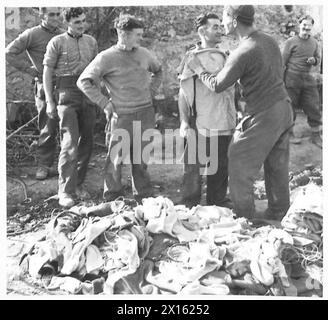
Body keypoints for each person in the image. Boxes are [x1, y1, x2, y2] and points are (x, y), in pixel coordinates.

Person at [187, 5, 293, 220]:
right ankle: (278, 211)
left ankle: (246, 218)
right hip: (284, 107)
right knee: (276, 164)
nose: (223, 25)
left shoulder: (242, 51)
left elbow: (217, 84)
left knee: (238, 162)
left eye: (224, 19)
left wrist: (198, 68)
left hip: (264, 112)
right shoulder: (269, 40)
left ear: (234, 21)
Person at [77, 14, 162, 202]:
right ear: (122, 34)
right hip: (121, 115)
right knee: (115, 159)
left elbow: (159, 71)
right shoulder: (106, 57)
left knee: (141, 157)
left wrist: (151, 92)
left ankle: (143, 195)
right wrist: (104, 103)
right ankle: (113, 196)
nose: (141, 39)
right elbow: (84, 81)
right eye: (137, 35)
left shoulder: (144, 53)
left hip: (145, 112)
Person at [177, 13, 236, 208]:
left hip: (223, 122)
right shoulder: (192, 58)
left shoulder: (225, 56)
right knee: (193, 170)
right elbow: (184, 93)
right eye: (215, 27)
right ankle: (189, 207)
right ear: (202, 31)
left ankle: (216, 204)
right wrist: (184, 122)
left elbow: (230, 91)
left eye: (220, 26)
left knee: (219, 168)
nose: (220, 30)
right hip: (200, 122)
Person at [43, 7, 98, 208]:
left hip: (88, 92)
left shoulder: (91, 41)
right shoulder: (56, 42)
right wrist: (49, 101)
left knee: (87, 141)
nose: (81, 25)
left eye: (83, 21)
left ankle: (78, 185)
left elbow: (97, 69)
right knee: (70, 142)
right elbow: (47, 73)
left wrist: (99, 97)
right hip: (66, 92)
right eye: (77, 22)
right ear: (68, 23)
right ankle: (65, 190)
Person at [6, 7, 63, 180]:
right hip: (45, 87)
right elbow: (9, 53)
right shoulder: (32, 34)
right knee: (47, 126)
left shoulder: (63, 34)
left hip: (66, 85)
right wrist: (29, 69)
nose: (55, 18)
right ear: (42, 15)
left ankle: (67, 165)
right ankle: (44, 166)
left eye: (57, 14)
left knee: (69, 125)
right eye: (51, 14)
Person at [282, 15, 322, 148]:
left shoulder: (315, 43)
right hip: (292, 78)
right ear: (300, 25)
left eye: (308, 25)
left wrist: (314, 61)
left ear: (312, 27)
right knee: (289, 106)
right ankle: (289, 133)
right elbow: (282, 62)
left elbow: (318, 59)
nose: (306, 27)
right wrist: (281, 80)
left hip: (308, 77)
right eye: (304, 25)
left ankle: (316, 135)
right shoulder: (291, 42)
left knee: (313, 104)